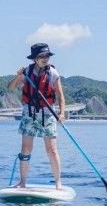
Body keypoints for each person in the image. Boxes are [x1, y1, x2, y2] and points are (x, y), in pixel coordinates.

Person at [6, 43, 67, 190]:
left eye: (47, 56)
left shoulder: (53, 73)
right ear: (35, 59)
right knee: (26, 148)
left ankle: (58, 182)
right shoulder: (27, 72)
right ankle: (22, 182)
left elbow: (60, 95)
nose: (45, 59)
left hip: (47, 114)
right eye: (41, 56)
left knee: (51, 149)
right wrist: (18, 75)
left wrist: (62, 113)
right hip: (29, 114)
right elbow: (10, 87)